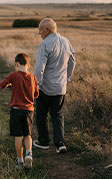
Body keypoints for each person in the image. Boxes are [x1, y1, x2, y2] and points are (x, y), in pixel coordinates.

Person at [33, 18, 75, 154]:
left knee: (41, 115)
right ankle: (60, 143)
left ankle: (44, 142)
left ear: (47, 30)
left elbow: (40, 67)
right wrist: (67, 78)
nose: (39, 33)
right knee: (57, 115)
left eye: (40, 30)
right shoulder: (66, 41)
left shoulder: (45, 44)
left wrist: (36, 84)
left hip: (45, 87)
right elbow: (72, 61)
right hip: (60, 88)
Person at [0, 53, 39, 169]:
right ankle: (29, 153)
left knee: (18, 136)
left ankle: (20, 161)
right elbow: (36, 94)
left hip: (16, 111)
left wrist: (9, 85)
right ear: (28, 65)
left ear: (16, 64)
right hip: (29, 111)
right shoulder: (33, 77)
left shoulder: (13, 75)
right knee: (27, 135)